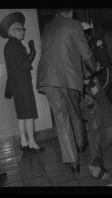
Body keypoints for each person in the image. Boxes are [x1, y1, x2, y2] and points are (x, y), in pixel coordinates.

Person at [36, 9, 97, 173]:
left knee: (61, 119)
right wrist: (95, 66)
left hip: (48, 78)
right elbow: (85, 52)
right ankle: (80, 142)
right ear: (69, 12)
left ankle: (72, 161)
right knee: (74, 112)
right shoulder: (74, 24)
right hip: (67, 76)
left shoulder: (47, 27)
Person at [80, 22, 112, 179]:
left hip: (96, 86)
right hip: (88, 90)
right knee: (96, 126)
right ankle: (96, 161)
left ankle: (96, 157)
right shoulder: (76, 47)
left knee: (110, 131)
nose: (83, 35)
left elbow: (103, 65)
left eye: (85, 33)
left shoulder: (95, 43)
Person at [0, 12, 44, 152]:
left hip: (17, 85)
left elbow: (13, 68)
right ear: (12, 30)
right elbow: (23, 65)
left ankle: (24, 142)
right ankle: (31, 142)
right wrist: (33, 52)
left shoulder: (8, 46)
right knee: (29, 114)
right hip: (22, 85)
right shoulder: (16, 45)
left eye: (23, 29)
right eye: (21, 29)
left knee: (22, 115)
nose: (23, 32)